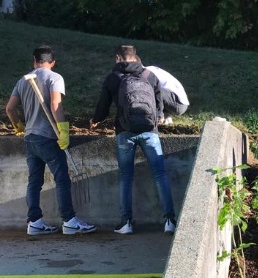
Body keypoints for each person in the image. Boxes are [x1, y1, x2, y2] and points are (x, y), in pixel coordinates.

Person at [5, 45, 97, 236]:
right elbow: (55, 104)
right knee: (62, 179)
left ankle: (35, 222)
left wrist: (18, 126)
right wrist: (63, 129)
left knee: (34, 182)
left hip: (30, 138)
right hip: (48, 137)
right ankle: (70, 221)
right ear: (53, 62)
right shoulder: (55, 78)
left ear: (34, 60)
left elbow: (9, 109)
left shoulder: (23, 81)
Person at [91, 45, 177, 235]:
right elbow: (159, 105)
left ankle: (126, 223)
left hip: (125, 131)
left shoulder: (113, 77)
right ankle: (170, 221)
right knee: (160, 175)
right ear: (136, 57)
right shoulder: (149, 76)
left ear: (118, 58)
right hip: (150, 130)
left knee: (126, 178)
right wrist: (159, 118)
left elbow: (103, 106)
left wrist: (95, 120)